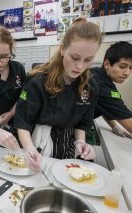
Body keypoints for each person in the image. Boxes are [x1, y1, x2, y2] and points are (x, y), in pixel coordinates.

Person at [14, 18, 103, 171]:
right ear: (62, 49)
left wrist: (80, 142)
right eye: (74, 58)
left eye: (88, 60)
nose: (80, 66)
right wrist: (29, 149)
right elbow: (22, 122)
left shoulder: (91, 86)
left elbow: (83, 124)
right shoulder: (38, 82)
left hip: (68, 142)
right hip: (37, 141)